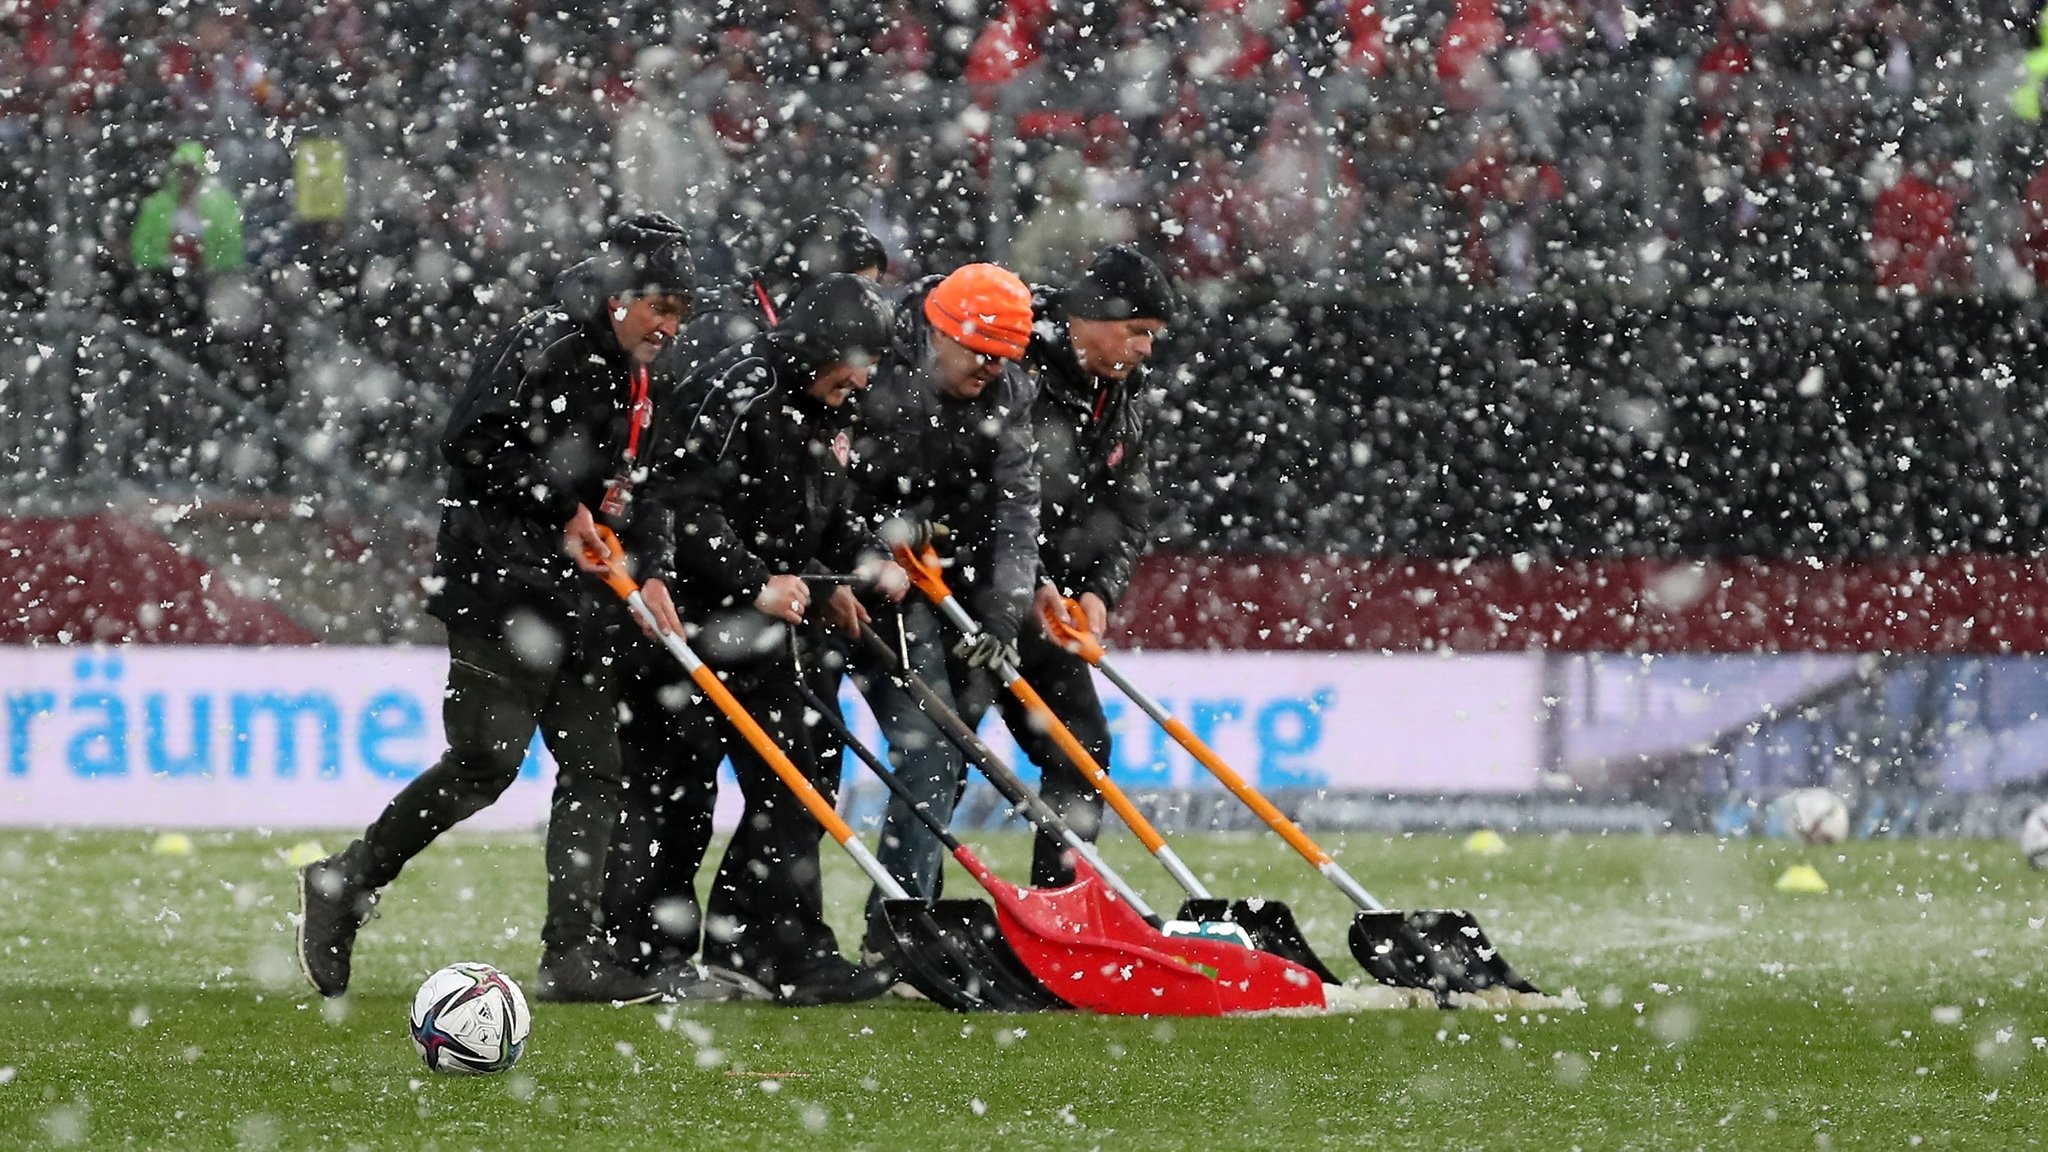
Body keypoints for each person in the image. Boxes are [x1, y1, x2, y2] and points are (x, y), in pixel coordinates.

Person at [296, 214, 723, 1005]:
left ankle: (570, 957)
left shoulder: (640, 373)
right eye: (661, 305)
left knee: (598, 768)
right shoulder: (545, 343)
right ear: (619, 293)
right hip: (499, 586)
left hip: (582, 597)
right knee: (487, 762)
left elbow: (648, 483)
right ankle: (345, 880)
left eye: (683, 311)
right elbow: (474, 442)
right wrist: (563, 508)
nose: (671, 326)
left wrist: (654, 567)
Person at [603, 274, 906, 1003]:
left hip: (760, 627)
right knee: (677, 788)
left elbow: (824, 503)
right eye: (855, 361)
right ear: (817, 348)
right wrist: (754, 581)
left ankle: (769, 946)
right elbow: (680, 500)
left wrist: (848, 569)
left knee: (796, 785)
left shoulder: (833, 401)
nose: (863, 379)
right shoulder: (736, 389)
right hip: (687, 619)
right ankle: (648, 953)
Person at [842, 262, 1040, 960]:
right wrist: (866, 546)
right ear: (938, 330)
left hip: (910, 580)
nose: (992, 369)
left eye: (1005, 357)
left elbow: (1017, 511)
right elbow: (815, 469)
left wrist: (1005, 613)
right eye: (981, 352)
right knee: (816, 758)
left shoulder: (1009, 392)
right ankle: (784, 942)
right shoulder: (863, 355)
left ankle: (896, 932)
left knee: (934, 753)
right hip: (818, 571)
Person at [1009, 245, 1174, 886]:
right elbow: (989, 491)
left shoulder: (1125, 398)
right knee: (936, 757)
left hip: (1046, 608)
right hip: (973, 589)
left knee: (1082, 748)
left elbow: (1131, 513)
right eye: (1138, 333)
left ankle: (1060, 912)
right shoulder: (1016, 365)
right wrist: (1025, 576)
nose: (1145, 351)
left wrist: (1101, 591)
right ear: (1092, 316)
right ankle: (903, 922)